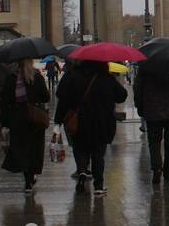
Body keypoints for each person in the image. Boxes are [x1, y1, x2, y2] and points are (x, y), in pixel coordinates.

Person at [53, 60, 125, 195]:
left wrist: (58, 121)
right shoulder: (106, 77)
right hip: (101, 122)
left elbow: (62, 100)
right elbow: (122, 96)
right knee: (98, 154)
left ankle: (82, 171)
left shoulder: (71, 76)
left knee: (80, 149)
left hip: (79, 122)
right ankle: (98, 186)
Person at [134, 60, 169, 186]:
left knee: (154, 142)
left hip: (152, 110)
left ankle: (156, 167)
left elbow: (138, 88)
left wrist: (140, 107)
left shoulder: (144, 67)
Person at [1, 58, 50, 192]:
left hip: (18, 119)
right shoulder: (36, 76)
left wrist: (5, 123)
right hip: (34, 118)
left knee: (22, 149)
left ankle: (28, 180)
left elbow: (5, 101)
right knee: (35, 149)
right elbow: (46, 97)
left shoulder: (11, 77)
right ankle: (31, 176)